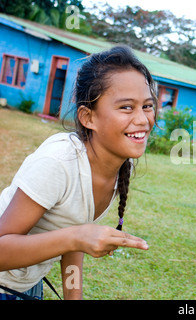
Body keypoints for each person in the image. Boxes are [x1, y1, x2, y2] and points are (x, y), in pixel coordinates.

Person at [0, 45, 158, 300]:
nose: (143, 119)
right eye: (127, 107)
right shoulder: (58, 163)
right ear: (88, 117)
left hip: (26, 286)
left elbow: (73, 241)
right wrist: (76, 237)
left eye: (147, 106)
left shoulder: (114, 168)